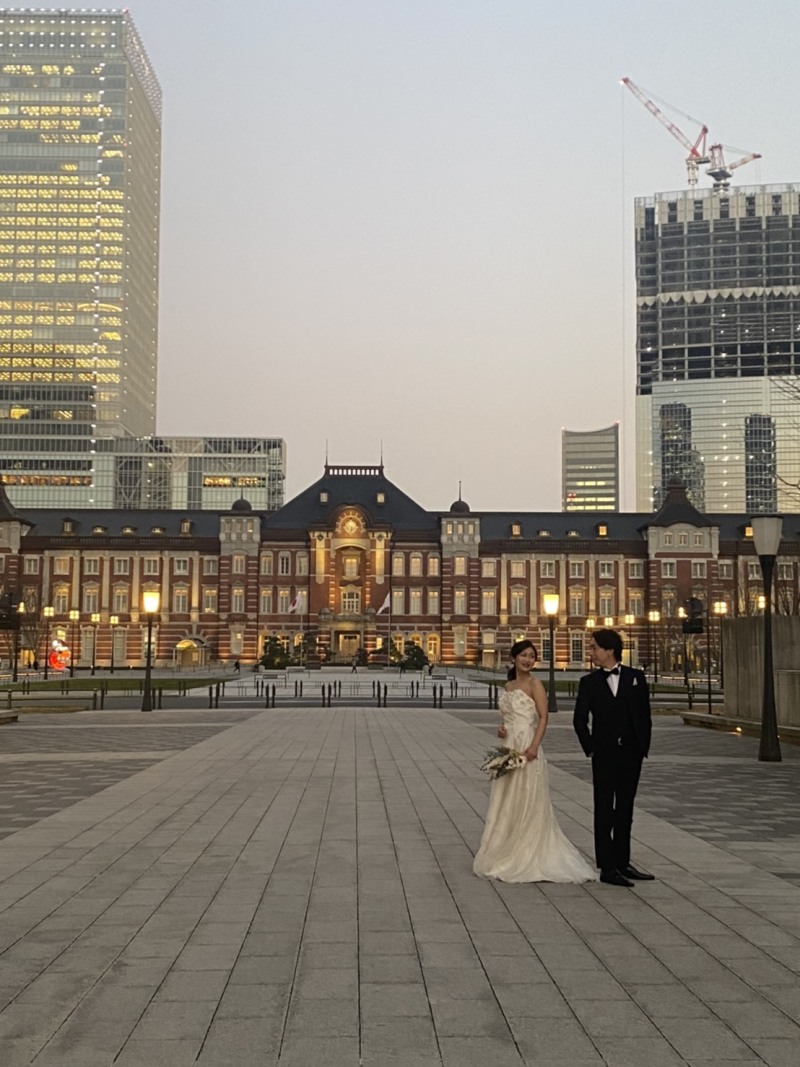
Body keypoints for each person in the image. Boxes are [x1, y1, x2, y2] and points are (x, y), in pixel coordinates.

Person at [473, 639, 597, 884]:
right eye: (524, 655)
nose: (528, 660)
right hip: (508, 744)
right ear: (514, 657)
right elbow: (507, 717)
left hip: (527, 745)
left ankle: (526, 849)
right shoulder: (508, 685)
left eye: (532, 656)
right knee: (507, 798)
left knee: (527, 798)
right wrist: (501, 728)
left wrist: (533, 747)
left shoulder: (534, 684)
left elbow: (543, 718)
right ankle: (505, 845)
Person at [573, 628, 654, 887]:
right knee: (604, 809)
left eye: (595, 647)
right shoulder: (589, 682)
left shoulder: (636, 678)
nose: (591, 652)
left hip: (631, 754)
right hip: (604, 754)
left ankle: (623, 861)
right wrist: (591, 748)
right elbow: (579, 720)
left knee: (626, 809)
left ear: (609, 650)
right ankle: (607, 866)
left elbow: (644, 716)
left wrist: (642, 746)